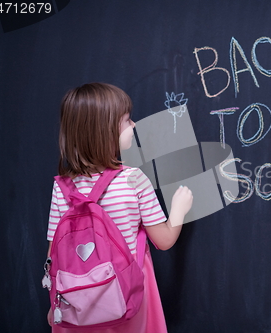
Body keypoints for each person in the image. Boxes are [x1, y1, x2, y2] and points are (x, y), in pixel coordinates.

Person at [45, 82, 193, 332]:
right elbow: (164, 240)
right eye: (127, 120)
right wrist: (178, 209)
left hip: (75, 303)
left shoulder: (62, 187)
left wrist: (53, 303)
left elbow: (53, 255)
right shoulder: (133, 179)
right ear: (104, 131)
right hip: (126, 298)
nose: (134, 125)